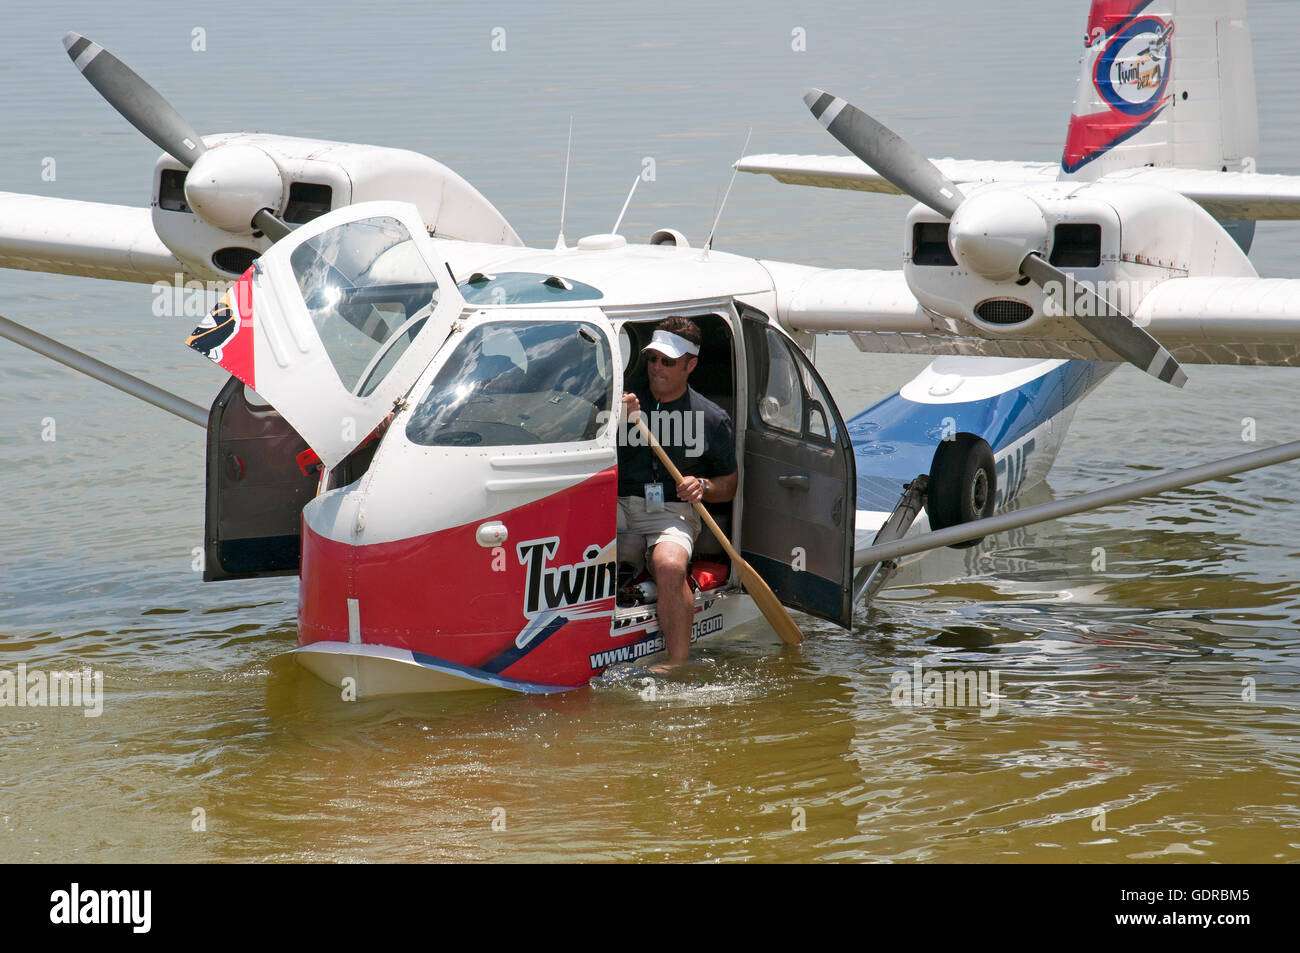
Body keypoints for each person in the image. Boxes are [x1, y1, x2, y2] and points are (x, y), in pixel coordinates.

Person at [618, 316, 738, 669]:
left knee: (669, 566)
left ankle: (676, 662)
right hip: (618, 505)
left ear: (691, 365)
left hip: (673, 513)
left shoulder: (711, 418)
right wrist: (613, 418)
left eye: (667, 362)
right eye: (652, 358)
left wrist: (703, 486)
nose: (656, 368)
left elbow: (728, 484)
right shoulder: (621, 400)